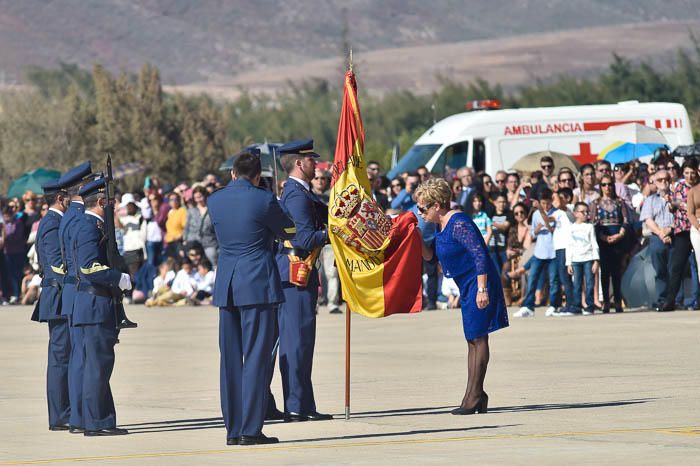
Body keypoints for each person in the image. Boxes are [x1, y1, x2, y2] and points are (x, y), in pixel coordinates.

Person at [209, 151, 296, 446]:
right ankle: (250, 428)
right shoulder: (264, 198)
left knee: (230, 360)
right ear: (257, 176)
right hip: (256, 282)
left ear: (233, 173)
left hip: (228, 284)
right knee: (257, 358)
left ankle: (233, 429)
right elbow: (289, 229)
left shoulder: (215, 199)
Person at [415, 178, 508, 414]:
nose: (420, 212)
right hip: (466, 286)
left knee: (479, 338)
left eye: (423, 207)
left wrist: (482, 289)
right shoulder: (440, 226)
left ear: (437, 205)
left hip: (479, 283)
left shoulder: (459, 222)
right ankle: (474, 394)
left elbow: (480, 255)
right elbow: (430, 257)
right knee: (472, 339)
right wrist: (415, 236)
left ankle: (474, 396)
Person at [275, 139, 333, 423]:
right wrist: (335, 234)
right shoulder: (297, 196)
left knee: (302, 342)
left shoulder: (302, 193)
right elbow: (304, 238)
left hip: (302, 275)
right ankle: (296, 405)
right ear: (299, 163)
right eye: (312, 160)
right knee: (296, 342)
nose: (316, 164)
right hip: (296, 274)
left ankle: (304, 404)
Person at [72, 176, 132, 436]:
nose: (114, 205)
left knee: (96, 365)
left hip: (94, 302)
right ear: (100, 201)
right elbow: (89, 266)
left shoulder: (91, 224)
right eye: (111, 201)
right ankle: (98, 422)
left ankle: (96, 419)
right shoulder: (88, 227)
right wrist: (117, 277)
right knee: (98, 365)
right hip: (95, 302)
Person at [30, 179, 71, 431]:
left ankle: (64, 411)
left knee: (63, 356)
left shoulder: (54, 221)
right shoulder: (52, 224)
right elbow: (56, 266)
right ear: (60, 198)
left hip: (59, 295)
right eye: (68, 196)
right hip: (57, 296)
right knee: (60, 358)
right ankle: (59, 415)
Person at [57, 161, 94, 434]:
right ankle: (82, 417)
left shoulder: (70, 214)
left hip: (73, 290)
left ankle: (80, 417)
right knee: (83, 357)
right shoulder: (81, 217)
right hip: (81, 290)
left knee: (79, 357)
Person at [661, 159, 699, 312]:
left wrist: (681, 205)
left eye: (692, 173)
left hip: (696, 228)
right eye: (687, 173)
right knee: (676, 266)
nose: (690, 176)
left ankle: (698, 300)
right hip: (683, 230)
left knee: (698, 266)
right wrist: (670, 203)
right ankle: (670, 301)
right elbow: (672, 209)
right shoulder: (679, 187)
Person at [514, 189, 558, 317]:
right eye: (543, 203)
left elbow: (552, 228)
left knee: (553, 279)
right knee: (532, 278)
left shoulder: (556, 213)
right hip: (539, 251)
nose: (546, 206)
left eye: (548, 203)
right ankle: (528, 306)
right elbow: (532, 233)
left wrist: (540, 210)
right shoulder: (535, 215)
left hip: (553, 251)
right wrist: (537, 230)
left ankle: (554, 305)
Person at [591, 174, 628, 313]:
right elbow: (594, 223)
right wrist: (603, 237)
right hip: (603, 240)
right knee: (605, 272)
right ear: (600, 187)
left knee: (617, 272)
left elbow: (626, 220)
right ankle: (606, 301)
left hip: (618, 238)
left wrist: (620, 234)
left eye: (610, 184)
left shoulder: (620, 202)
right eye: (604, 185)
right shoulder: (595, 203)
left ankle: (617, 301)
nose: (607, 187)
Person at [640, 170, 674, 309]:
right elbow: (648, 220)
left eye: (666, 179)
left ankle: (675, 299)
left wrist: (669, 230)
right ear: (654, 182)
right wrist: (661, 233)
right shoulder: (650, 200)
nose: (664, 182)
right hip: (657, 237)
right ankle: (662, 299)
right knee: (660, 270)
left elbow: (682, 216)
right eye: (660, 180)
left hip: (675, 236)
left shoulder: (676, 198)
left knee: (675, 269)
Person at [566, 202, 600, 315]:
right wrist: (568, 263)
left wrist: (596, 261)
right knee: (577, 284)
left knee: (590, 283)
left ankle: (590, 306)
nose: (586, 214)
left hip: (588, 259)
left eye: (587, 212)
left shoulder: (589, 227)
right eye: (582, 212)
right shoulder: (571, 228)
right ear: (576, 213)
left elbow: (594, 244)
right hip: (575, 260)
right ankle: (577, 306)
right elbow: (569, 246)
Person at [183, 186, 218, 267]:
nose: (198, 199)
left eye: (200, 197)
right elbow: (186, 227)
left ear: (205, 195)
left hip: (209, 242)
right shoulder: (191, 211)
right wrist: (185, 240)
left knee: (212, 255)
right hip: (193, 241)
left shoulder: (212, 210)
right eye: (196, 197)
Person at [164, 193, 187, 259]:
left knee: (181, 260)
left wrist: (181, 235)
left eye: (175, 199)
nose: (174, 201)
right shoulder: (170, 212)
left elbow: (186, 227)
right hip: (169, 242)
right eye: (171, 199)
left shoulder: (182, 210)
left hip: (178, 242)